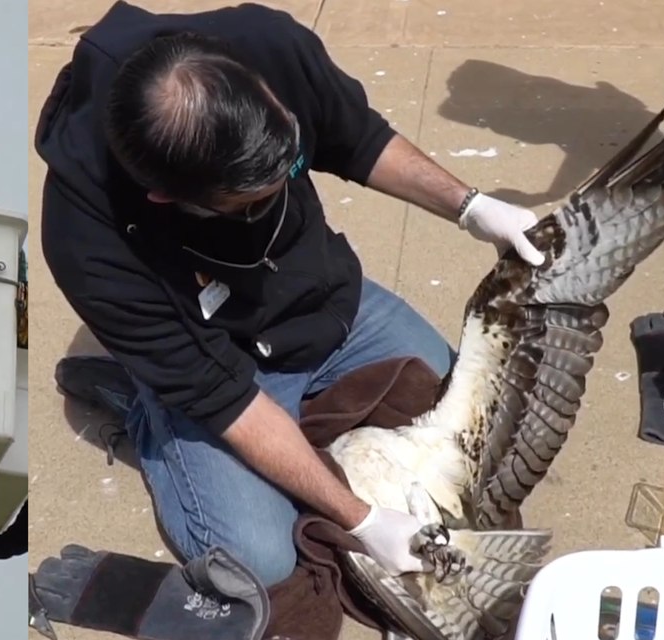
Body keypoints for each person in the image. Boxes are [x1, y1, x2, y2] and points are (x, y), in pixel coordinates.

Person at [34, 2, 544, 588]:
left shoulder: (267, 44)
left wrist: (471, 208)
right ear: (167, 198)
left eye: (291, 163)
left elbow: (359, 140)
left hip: (318, 299)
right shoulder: (86, 241)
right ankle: (149, 410)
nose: (277, 194)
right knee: (259, 560)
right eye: (252, 202)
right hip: (214, 357)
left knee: (465, 416)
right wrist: (363, 520)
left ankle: (289, 411)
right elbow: (225, 401)